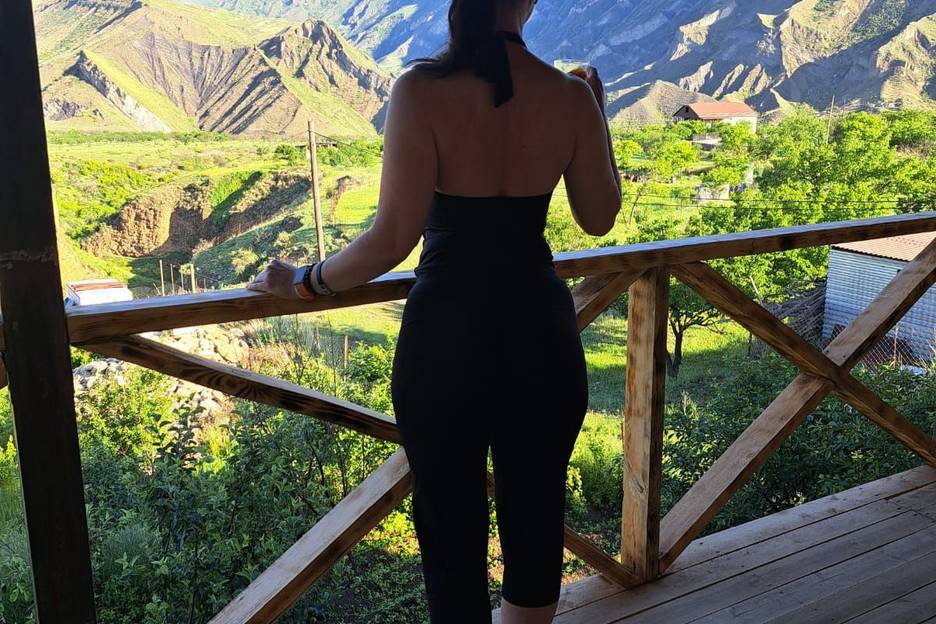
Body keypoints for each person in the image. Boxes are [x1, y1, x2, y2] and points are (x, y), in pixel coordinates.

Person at [247, 0, 622, 621]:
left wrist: (306, 283)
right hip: (540, 334)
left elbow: (390, 240)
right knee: (535, 512)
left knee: (450, 526)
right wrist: (596, 118)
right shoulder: (571, 97)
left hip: (446, 338)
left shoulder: (419, 90)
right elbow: (599, 217)